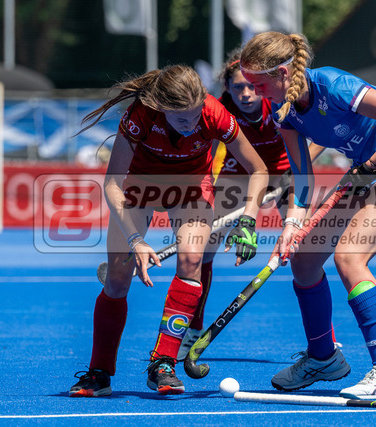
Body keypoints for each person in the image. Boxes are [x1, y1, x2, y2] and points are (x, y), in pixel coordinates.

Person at [240, 32, 376, 400]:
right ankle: (323, 358)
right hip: (365, 172)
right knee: (304, 261)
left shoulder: (334, 85)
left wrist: (371, 164)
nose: (254, 93)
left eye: (259, 84)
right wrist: (291, 225)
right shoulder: (285, 113)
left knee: (349, 258)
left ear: (283, 73)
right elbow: (302, 178)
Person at [68, 64, 268, 397]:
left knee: (192, 262)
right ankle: (99, 373)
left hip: (191, 189)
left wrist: (248, 219)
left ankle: (163, 363)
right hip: (139, 187)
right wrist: (136, 240)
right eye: (180, 119)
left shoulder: (215, 114)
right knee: (117, 278)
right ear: (161, 107)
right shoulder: (140, 116)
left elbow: (258, 169)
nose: (190, 126)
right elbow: (112, 184)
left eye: (194, 116)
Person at [176, 49, 326, 360]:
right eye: (237, 88)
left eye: (250, 86)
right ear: (227, 89)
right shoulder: (218, 109)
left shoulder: (279, 101)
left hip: (285, 175)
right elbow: (205, 151)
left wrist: (296, 169)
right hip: (238, 175)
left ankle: (325, 342)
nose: (245, 94)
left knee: (306, 254)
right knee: (202, 251)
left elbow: (323, 134)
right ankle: (192, 330)